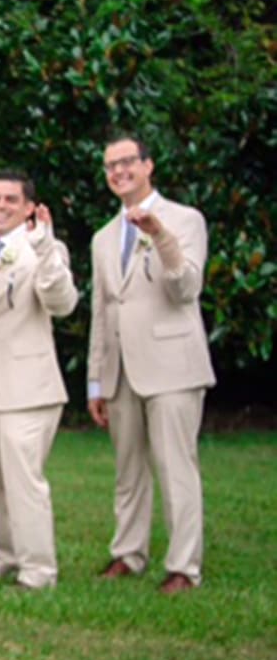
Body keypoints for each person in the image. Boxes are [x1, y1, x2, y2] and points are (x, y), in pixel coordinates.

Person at [88, 135, 214, 594]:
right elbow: (103, 311)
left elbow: (186, 289)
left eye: (126, 163)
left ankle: (184, 565)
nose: (118, 172)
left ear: (148, 165)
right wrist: (96, 381)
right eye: (110, 166)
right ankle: (128, 553)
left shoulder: (184, 220)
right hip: (120, 370)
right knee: (128, 468)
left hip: (172, 364)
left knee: (175, 465)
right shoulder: (104, 237)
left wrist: (160, 237)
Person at [0, 172, 78, 590]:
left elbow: (61, 302)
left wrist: (43, 247)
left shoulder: (44, 249)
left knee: (24, 481)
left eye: (10, 199)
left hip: (27, 384)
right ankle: (2, 553)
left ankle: (39, 568)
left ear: (28, 208)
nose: (0, 205)